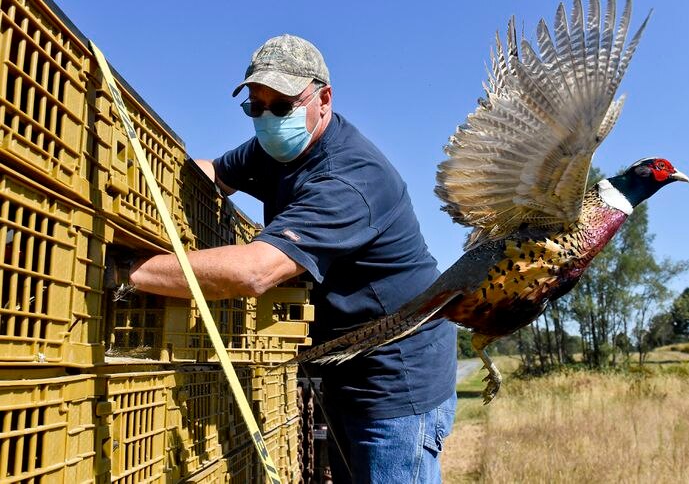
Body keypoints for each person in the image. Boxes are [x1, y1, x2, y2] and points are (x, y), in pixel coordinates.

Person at [113, 34, 457, 483]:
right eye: (256, 107)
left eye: (281, 106)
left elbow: (254, 272)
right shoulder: (276, 150)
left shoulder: (350, 178)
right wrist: (133, 190)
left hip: (396, 382)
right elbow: (214, 173)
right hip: (343, 366)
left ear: (323, 99)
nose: (268, 118)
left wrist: (128, 270)